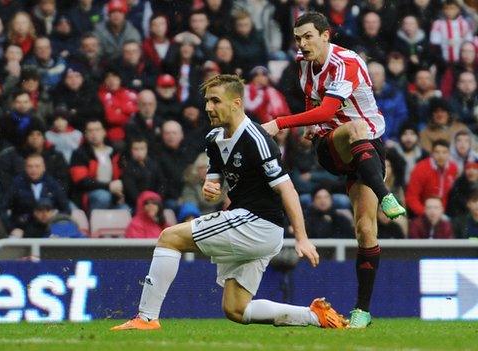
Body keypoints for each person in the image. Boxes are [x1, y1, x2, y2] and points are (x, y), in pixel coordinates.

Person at [112, 74, 347, 331]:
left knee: (169, 238)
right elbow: (213, 187)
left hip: (258, 224)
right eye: (207, 101)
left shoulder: (256, 139)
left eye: (215, 101)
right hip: (253, 225)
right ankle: (316, 317)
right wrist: (210, 189)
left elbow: (288, 189)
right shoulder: (214, 138)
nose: (208, 107)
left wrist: (301, 237)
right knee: (236, 310)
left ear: (236, 103)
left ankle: (146, 318)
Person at [261, 12, 405, 328]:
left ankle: (362, 312)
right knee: (353, 128)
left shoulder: (346, 62)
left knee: (365, 230)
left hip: (368, 147)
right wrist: (317, 128)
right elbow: (324, 111)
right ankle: (386, 195)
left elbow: (326, 109)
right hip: (333, 145)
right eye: (298, 38)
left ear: (326, 35)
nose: (302, 44)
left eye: (308, 36)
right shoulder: (303, 66)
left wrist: (280, 122)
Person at [405, 139, 458, 217]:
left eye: (444, 152)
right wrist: (426, 214)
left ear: (449, 154)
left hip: (444, 213)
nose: (441, 156)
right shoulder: (421, 168)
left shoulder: (453, 168)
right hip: (422, 212)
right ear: (432, 153)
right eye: (437, 152)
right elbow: (411, 198)